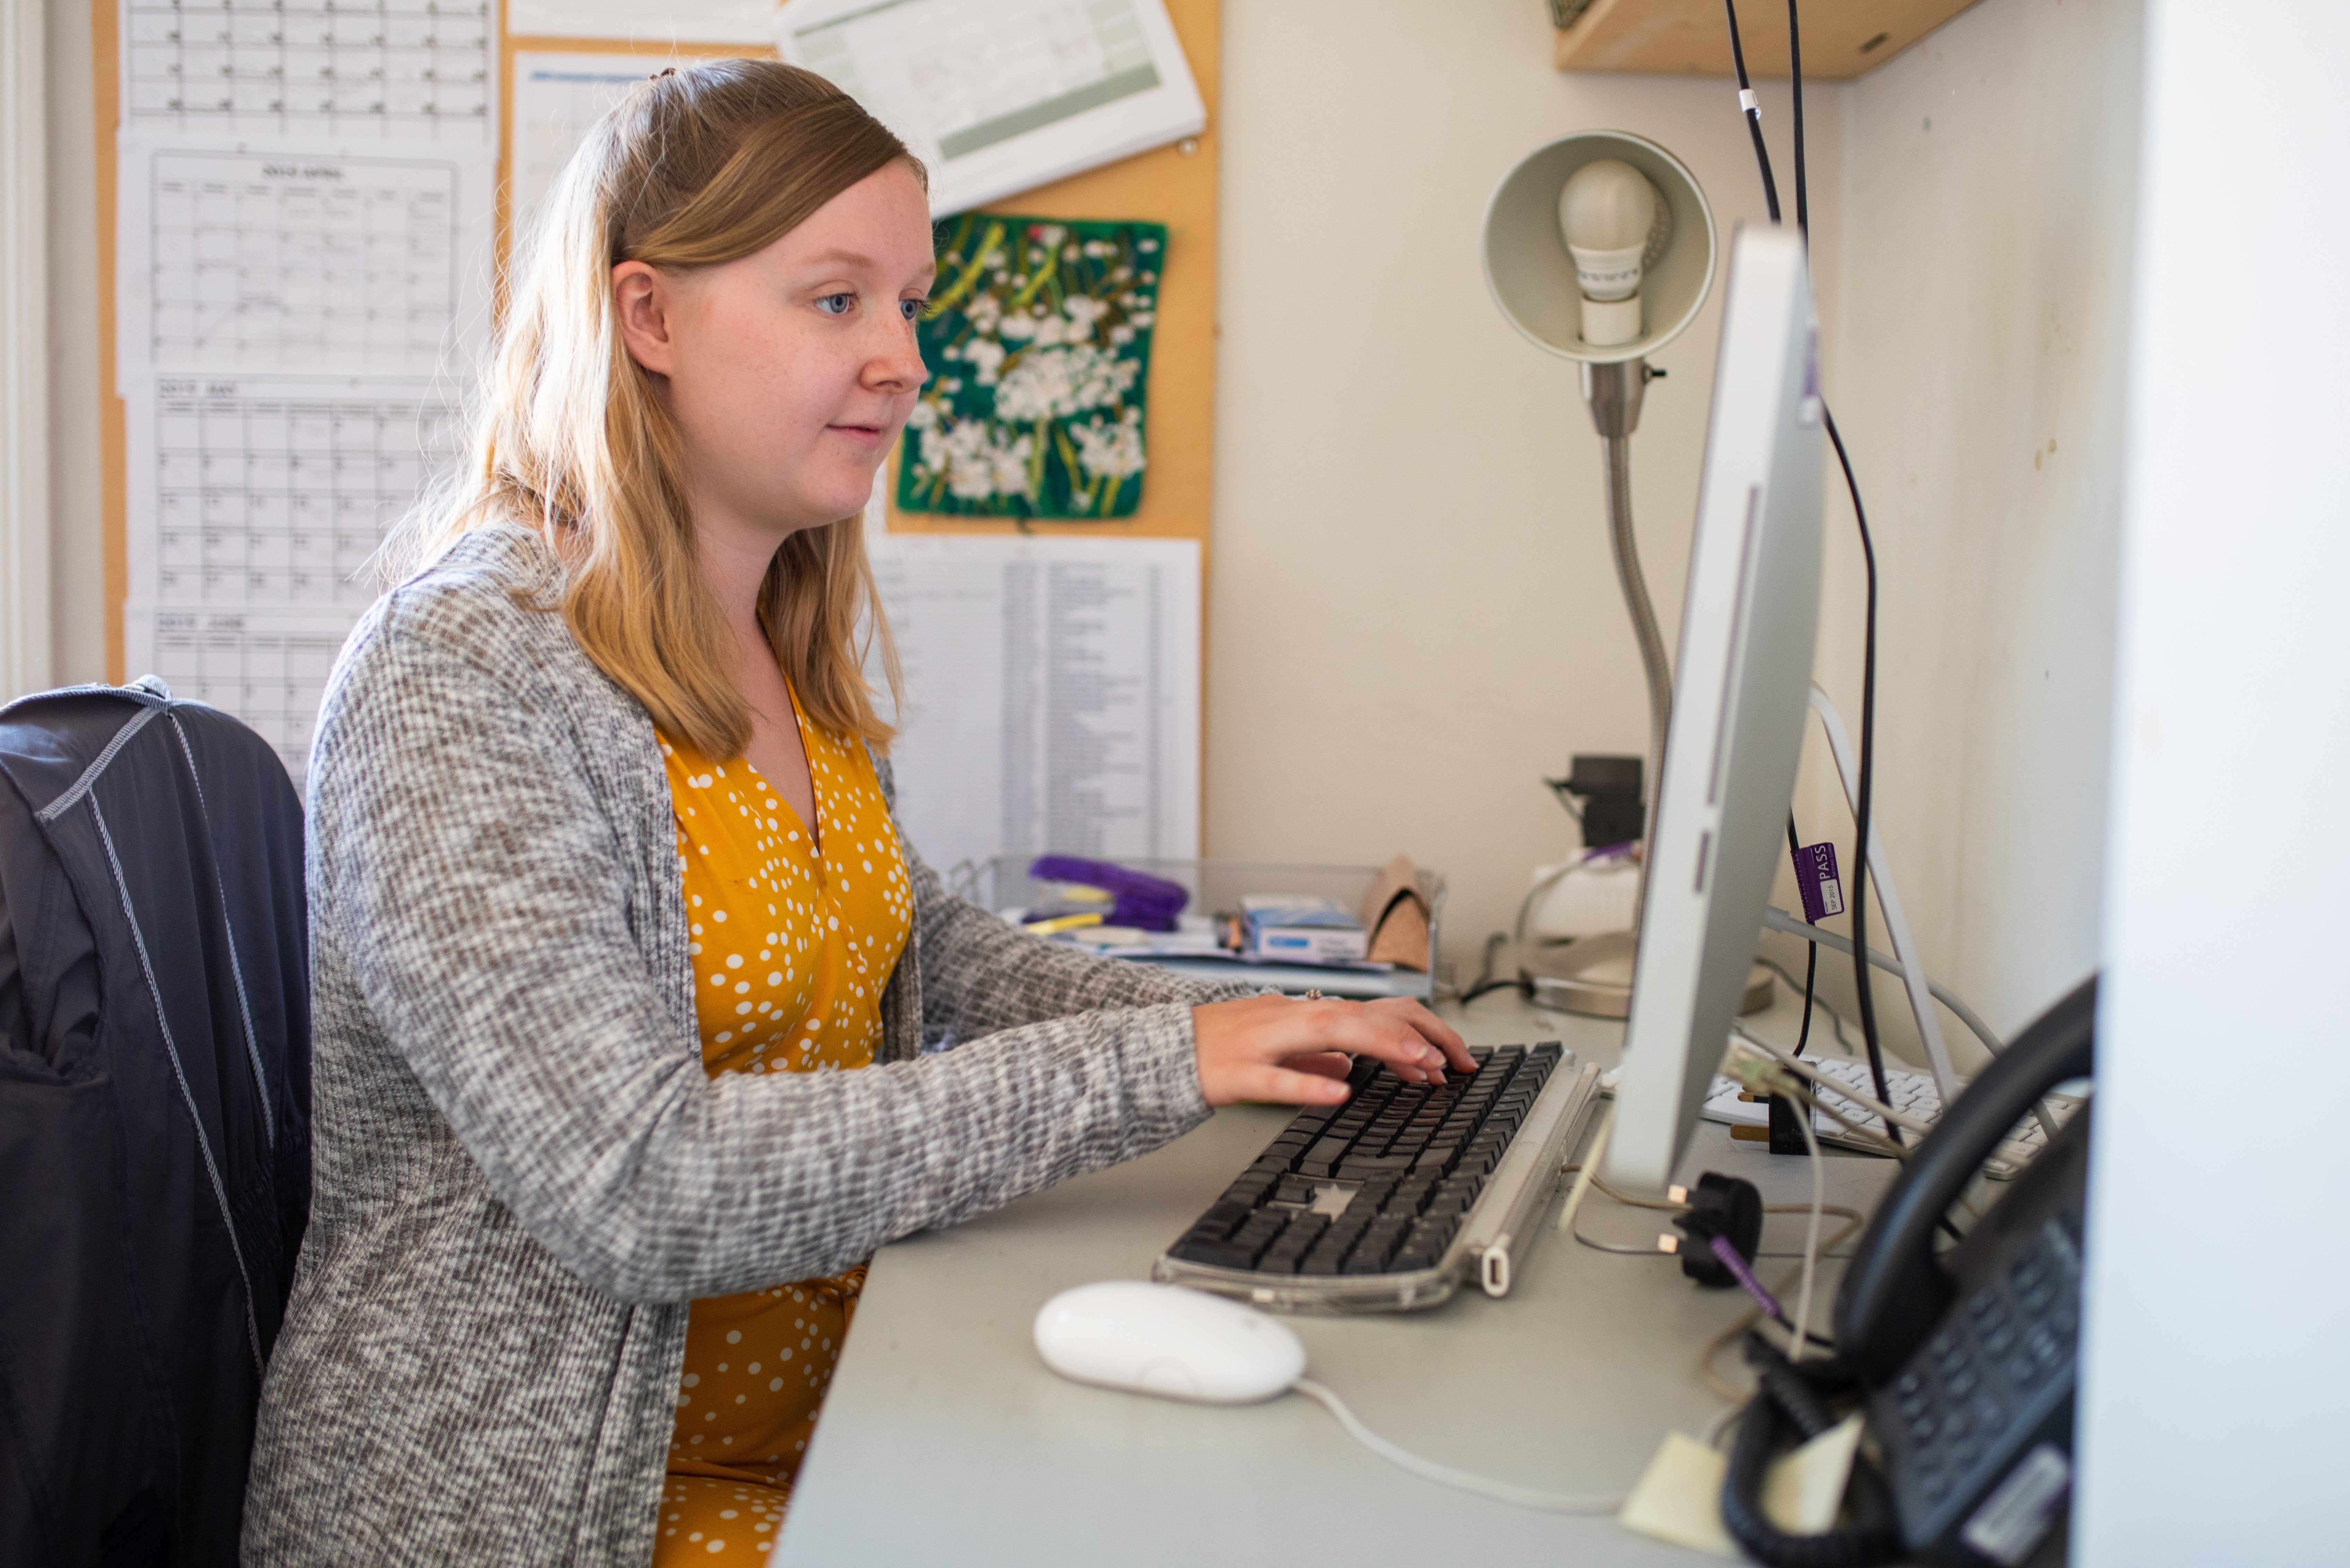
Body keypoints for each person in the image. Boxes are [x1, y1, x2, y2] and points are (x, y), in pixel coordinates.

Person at [239, 60, 1469, 1567]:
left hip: (827, 1423)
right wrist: (1161, 1058)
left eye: (909, 302)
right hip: (556, 1515)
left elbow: (914, 946)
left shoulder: (780, 637)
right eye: (835, 301)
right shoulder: (461, 672)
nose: (900, 357)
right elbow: (639, 1182)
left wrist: (1244, 1023)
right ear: (649, 318)